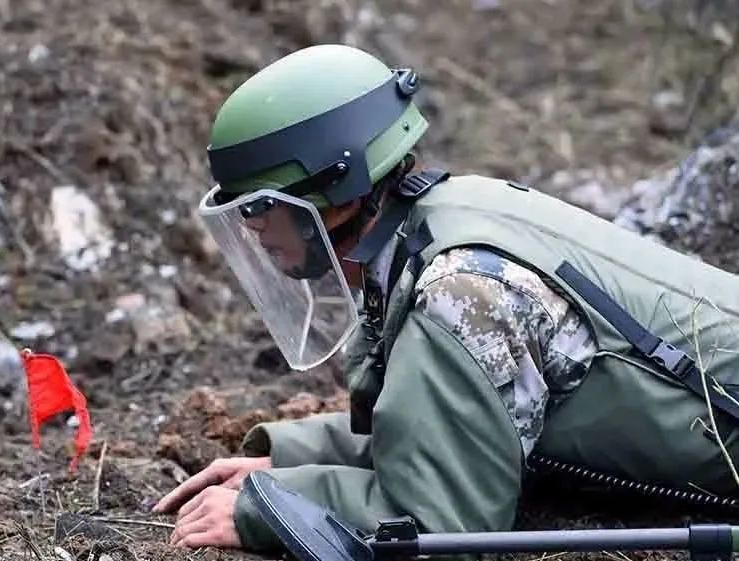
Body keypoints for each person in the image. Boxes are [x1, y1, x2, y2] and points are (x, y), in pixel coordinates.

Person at [152, 44, 739, 551]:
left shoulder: (458, 294)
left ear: (340, 192)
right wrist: (289, 456)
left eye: (259, 206)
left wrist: (270, 506)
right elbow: (450, 431)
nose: (252, 229)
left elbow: (439, 528)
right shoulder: (448, 213)